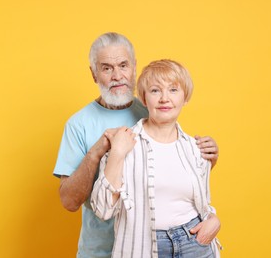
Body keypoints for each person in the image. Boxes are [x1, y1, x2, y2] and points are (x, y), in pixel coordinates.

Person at [53, 32, 220, 258]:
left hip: (163, 244)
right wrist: (100, 151)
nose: (117, 75)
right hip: (103, 249)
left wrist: (206, 159)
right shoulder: (78, 124)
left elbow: (172, 176)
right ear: (94, 74)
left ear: (134, 68)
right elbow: (70, 202)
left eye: (123, 65)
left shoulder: (155, 108)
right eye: (106, 68)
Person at [91, 59, 221, 258]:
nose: (164, 98)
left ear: (185, 97)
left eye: (173, 90)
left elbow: (202, 202)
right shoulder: (124, 144)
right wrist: (117, 153)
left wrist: (213, 220)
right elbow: (102, 209)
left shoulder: (196, 149)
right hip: (143, 248)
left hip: (195, 244)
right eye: (155, 91)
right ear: (144, 99)